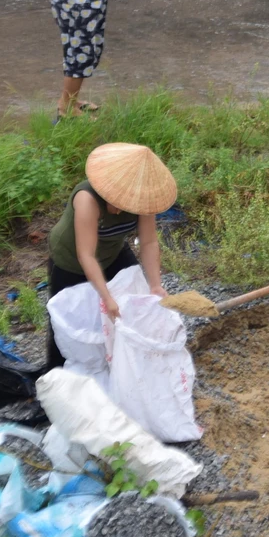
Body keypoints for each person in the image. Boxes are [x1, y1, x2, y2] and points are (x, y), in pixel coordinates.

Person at [46, 143, 176, 369]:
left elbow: (148, 241)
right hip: (71, 259)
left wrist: (155, 285)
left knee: (135, 303)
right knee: (67, 322)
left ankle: (124, 366)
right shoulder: (87, 198)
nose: (119, 211)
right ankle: (54, 377)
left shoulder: (143, 201)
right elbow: (85, 254)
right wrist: (106, 297)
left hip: (113, 253)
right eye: (117, 202)